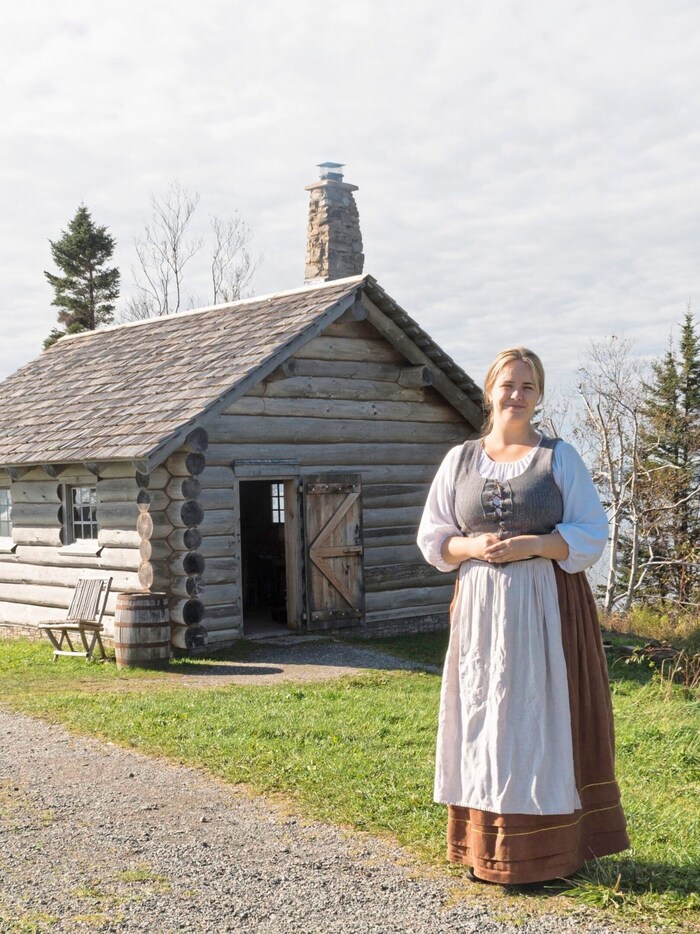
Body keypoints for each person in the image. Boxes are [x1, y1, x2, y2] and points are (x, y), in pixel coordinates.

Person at [417, 346, 629, 886]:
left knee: (542, 715)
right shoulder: (459, 459)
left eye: (528, 386)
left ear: (539, 396)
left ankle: (551, 856)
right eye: (508, 383)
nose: (516, 394)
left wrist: (534, 543)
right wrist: (474, 546)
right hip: (481, 612)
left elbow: (590, 532)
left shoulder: (559, 457)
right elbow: (434, 536)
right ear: (489, 389)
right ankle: (480, 849)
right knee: (484, 717)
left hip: (547, 609)